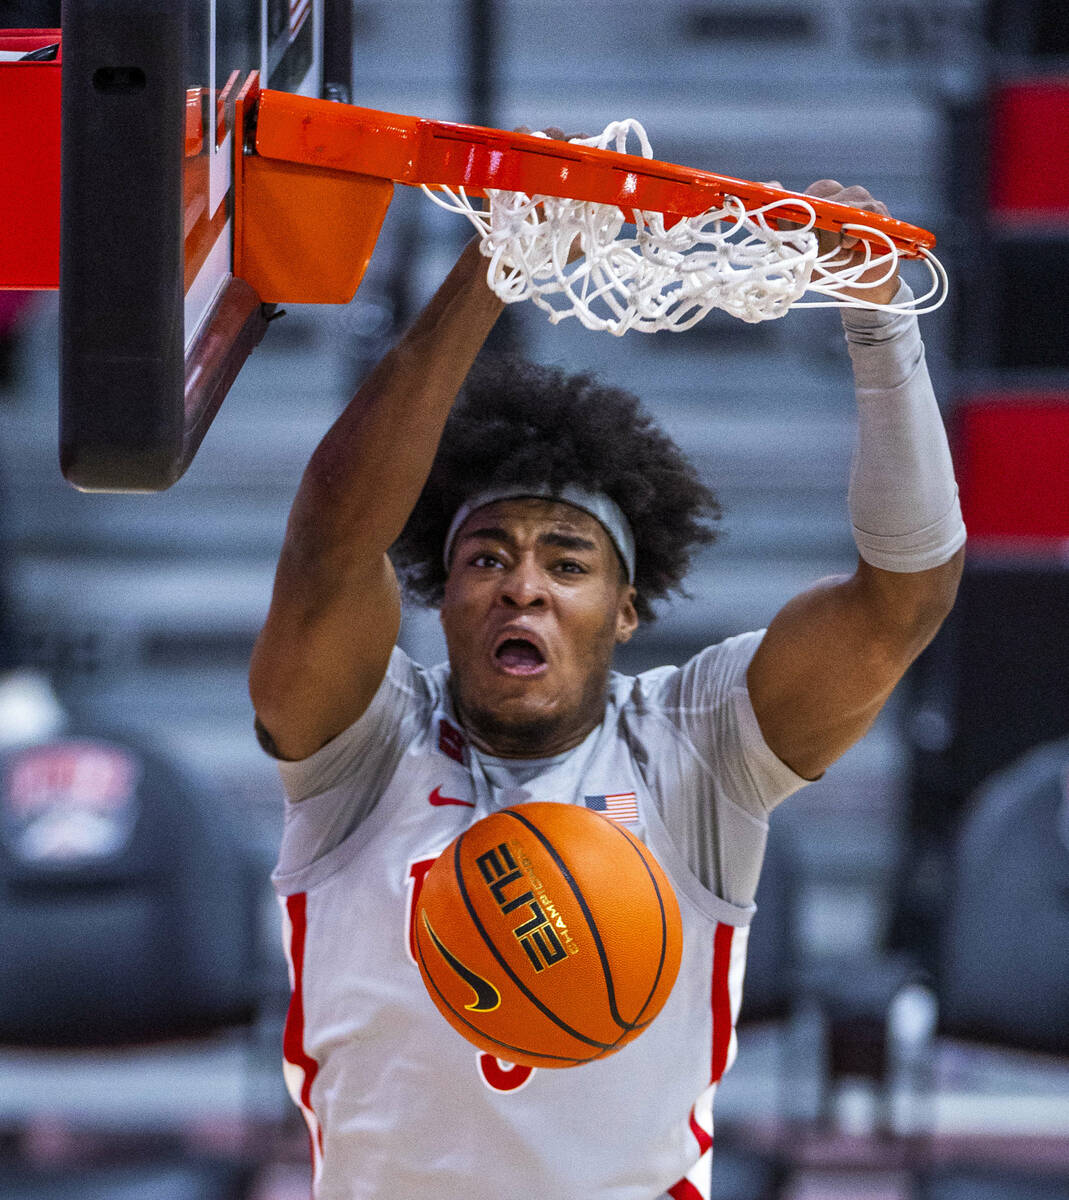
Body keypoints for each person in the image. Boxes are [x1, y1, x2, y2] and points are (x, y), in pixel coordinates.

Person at [249, 179, 966, 1200]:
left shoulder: (694, 743)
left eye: (568, 563)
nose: (524, 586)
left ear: (626, 610)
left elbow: (902, 602)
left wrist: (879, 325)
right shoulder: (361, 745)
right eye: (487, 558)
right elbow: (329, 543)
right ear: (441, 596)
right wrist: (487, 273)